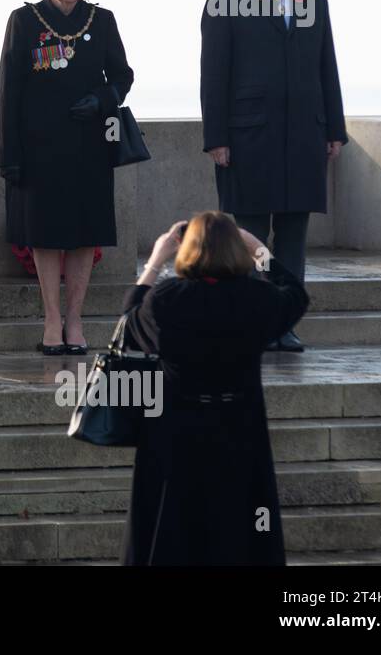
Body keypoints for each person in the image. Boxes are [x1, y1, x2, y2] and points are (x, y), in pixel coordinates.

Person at [120, 211, 309, 565]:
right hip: (238, 427)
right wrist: (258, 249)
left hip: (175, 430)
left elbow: (127, 327)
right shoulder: (257, 298)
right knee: (238, 528)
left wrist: (156, 259)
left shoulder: (165, 299)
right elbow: (296, 296)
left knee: (173, 527)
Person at [200, 0, 347, 352]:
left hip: (304, 136)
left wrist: (334, 128)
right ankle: (251, 322)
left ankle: (285, 321)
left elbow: (327, 65)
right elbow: (213, 75)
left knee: (294, 238)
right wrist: (217, 138)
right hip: (247, 140)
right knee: (248, 238)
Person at [0, 0, 134, 355]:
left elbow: (124, 77)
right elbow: (8, 93)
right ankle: (52, 320)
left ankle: (76, 321)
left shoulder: (102, 19)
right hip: (39, 151)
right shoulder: (24, 21)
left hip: (89, 148)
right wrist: (9, 156)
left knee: (83, 235)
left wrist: (102, 100)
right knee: (46, 235)